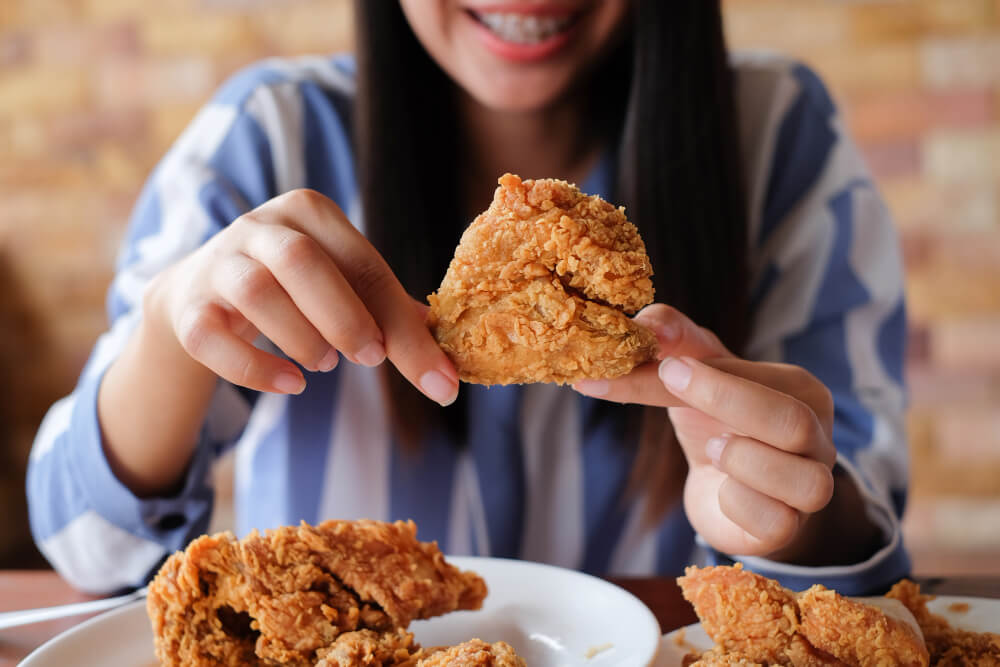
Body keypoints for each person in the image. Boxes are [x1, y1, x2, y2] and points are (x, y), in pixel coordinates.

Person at [28, 1, 910, 596]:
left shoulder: (779, 137)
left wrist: (795, 518)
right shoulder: (269, 135)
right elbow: (85, 548)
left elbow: (867, 568)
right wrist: (168, 330)